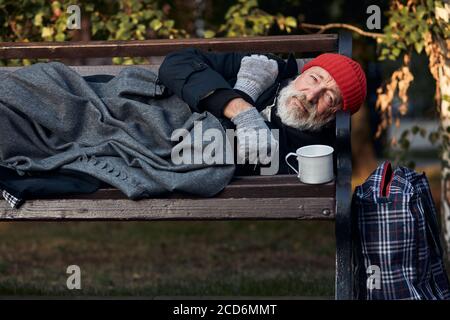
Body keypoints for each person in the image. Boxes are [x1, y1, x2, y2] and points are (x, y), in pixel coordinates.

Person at [158, 48, 367, 174]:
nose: (311, 95)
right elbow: (176, 64)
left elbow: (201, 148)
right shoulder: (268, 70)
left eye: (329, 99)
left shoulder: (304, 155)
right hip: (149, 109)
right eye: (314, 79)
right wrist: (242, 108)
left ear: (334, 116)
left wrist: (244, 94)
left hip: (161, 149)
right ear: (301, 74)